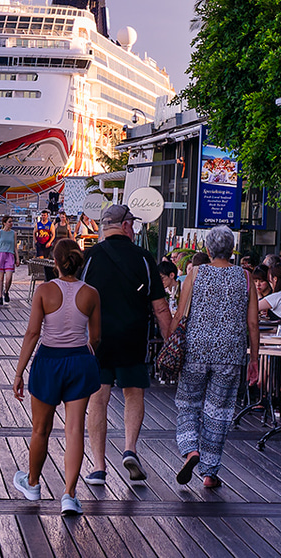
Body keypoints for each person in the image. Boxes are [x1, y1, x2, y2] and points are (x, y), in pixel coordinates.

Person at [81, 203, 173, 488]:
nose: (133, 229)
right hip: (134, 337)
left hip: (97, 340)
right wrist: (169, 342)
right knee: (134, 394)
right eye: (132, 224)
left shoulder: (90, 257)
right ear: (124, 225)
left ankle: (98, 467)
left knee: (99, 399)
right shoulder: (145, 258)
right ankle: (130, 448)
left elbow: (76, 300)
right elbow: (160, 308)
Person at [10, 238, 101, 516]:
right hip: (80, 360)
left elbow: (33, 334)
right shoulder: (91, 293)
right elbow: (95, 338)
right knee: (74, 429)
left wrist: (19, 371)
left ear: (55, 262)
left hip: (49, 360)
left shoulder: (44, 291)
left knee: (41, 429)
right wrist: (82, 354)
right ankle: (69, 495)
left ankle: (33, 483)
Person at [171, 225, 257, 491]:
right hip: (230, 353)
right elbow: (252, 322)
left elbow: (181, 314)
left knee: (187, 403)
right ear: (232, 250)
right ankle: (209, 473)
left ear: (207, 250)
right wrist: (254, 358)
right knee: (218, 412)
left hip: (196, 350)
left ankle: (190, 451)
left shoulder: (195, 273)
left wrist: (169, 343)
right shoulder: (245, 277)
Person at [0, 213, 19, 305]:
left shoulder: (14, 233)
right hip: (0, 254)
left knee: (9, 277)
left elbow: (15, 246)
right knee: (0, 278)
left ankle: (6, 291)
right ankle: (0, 296)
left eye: (12, 221)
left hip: (10, 255)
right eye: (9, 222)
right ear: (4, 223)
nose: (11, 223)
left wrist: (17, 258)